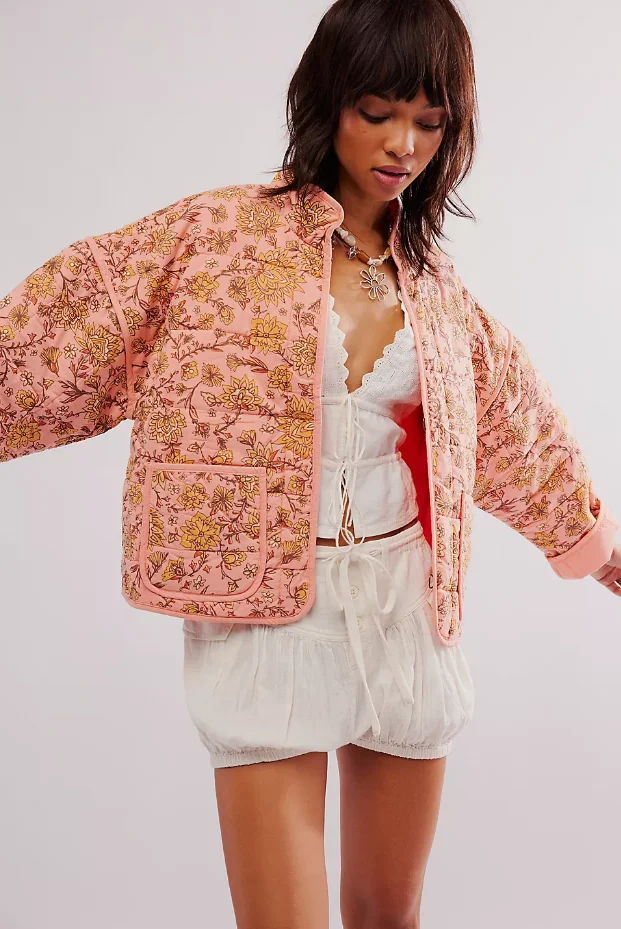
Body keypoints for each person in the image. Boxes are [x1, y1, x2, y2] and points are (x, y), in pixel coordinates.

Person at [2, 1, 619, 927]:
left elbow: (512, 425)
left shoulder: (437, 290)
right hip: (264, 618)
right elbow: (59, 332)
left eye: (429, 122)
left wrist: (595, 545)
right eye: (377, 111)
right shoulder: (212, 238)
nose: (403, 144)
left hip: (407, 610)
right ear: (327, 100)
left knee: (387, 917)